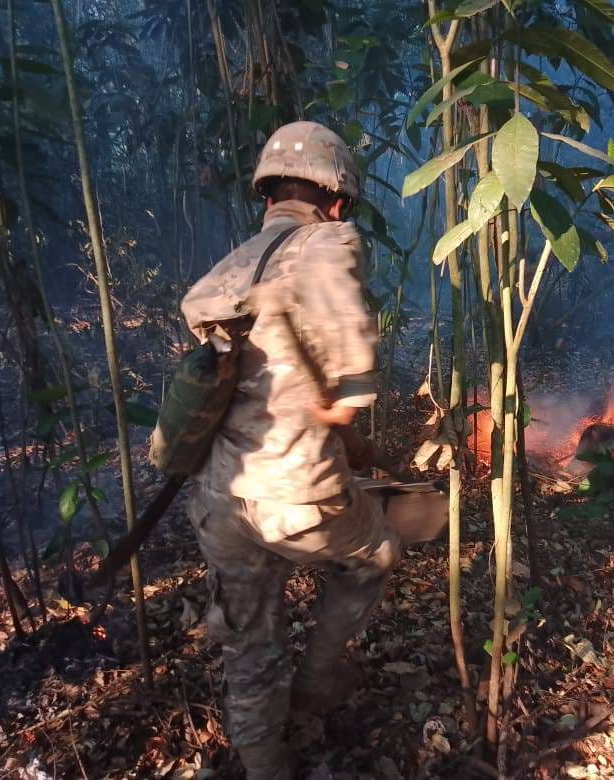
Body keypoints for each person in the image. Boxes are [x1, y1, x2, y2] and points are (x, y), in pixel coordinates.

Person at [180, 121, 399, 778]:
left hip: (222, 503)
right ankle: (315, 683)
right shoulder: (327, 242)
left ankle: (264, 761)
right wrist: (349, 402)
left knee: (250, 642)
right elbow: (351, 359)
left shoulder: (235, 266)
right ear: (336, 198)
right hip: (299, 497)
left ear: (269, 193)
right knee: (376, 556)